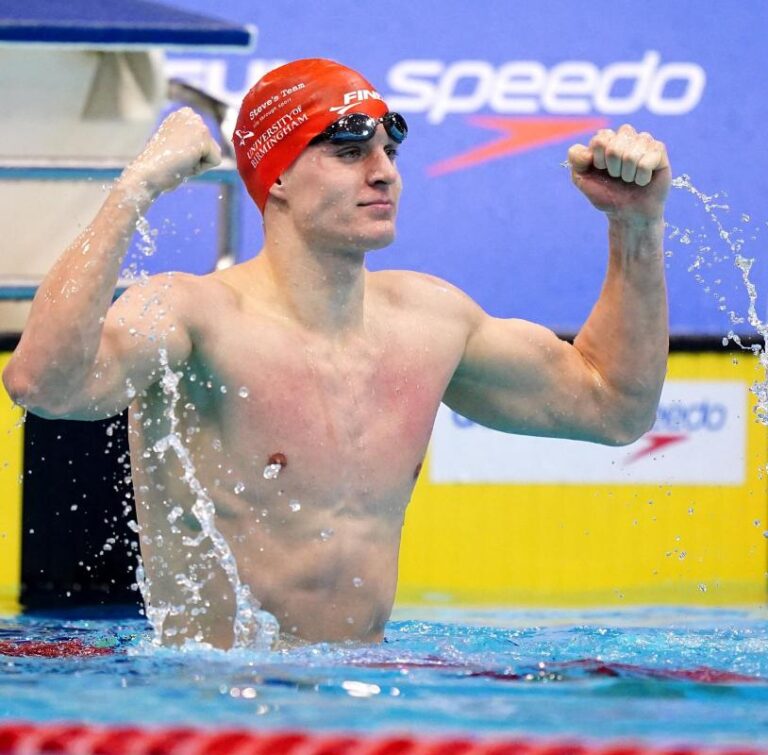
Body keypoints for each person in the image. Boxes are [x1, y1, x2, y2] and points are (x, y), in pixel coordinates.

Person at [2, 59, 670, 649]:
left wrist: (635, 226)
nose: (384, 172)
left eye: (390, 148)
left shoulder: (430, 321)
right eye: (349, 150)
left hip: (364, 697)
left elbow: (613, 405)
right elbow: (43, 383)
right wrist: (136, 188)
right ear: (280, 174)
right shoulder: (194, 315)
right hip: (210, 702)